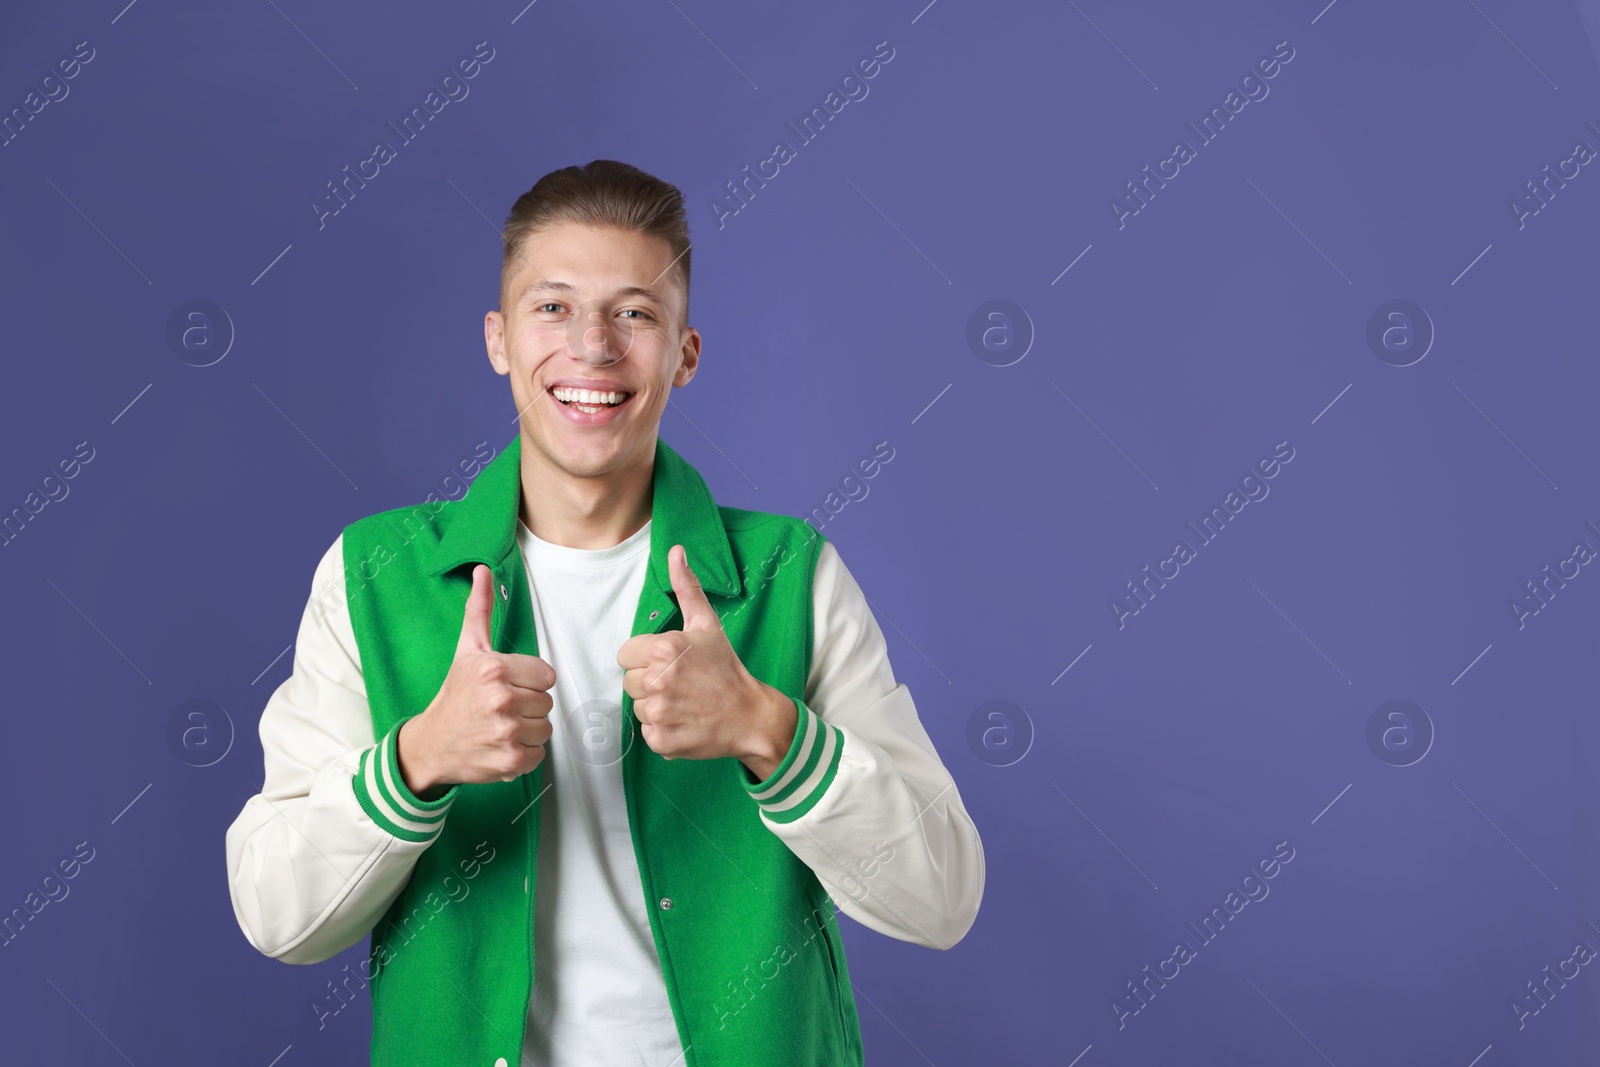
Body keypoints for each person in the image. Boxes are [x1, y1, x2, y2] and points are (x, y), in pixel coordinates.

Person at [224, 159, 985, 1067]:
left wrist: (770, 731)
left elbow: (943, 898)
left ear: (684, 354)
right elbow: (277, 918)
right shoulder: (373, 573)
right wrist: (417, 760)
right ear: (499, 339)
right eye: (553, 307)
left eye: (635, 312)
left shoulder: (792, 572)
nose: (593, 347)